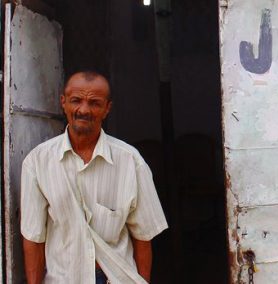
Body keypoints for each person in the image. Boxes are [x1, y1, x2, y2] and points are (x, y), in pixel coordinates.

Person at [20, 71, 168, 284]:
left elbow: (143, 236)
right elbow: (33, 238)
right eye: (76, 101)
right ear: (63, 103)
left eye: (95, 103)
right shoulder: (37, 161)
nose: (84, 110)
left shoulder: (130, 161)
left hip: (115, 278)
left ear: (107, 108)